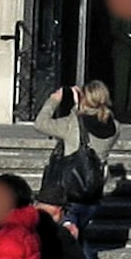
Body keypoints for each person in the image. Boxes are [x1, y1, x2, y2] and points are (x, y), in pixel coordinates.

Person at [37, 80, 118, 242]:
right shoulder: (114, 126)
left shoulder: (72, 124)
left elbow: (41, 123)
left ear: (85, 99)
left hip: (71, 192)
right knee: (81, 236)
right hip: (93, 191)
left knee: (70, 241)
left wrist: (54, 100)